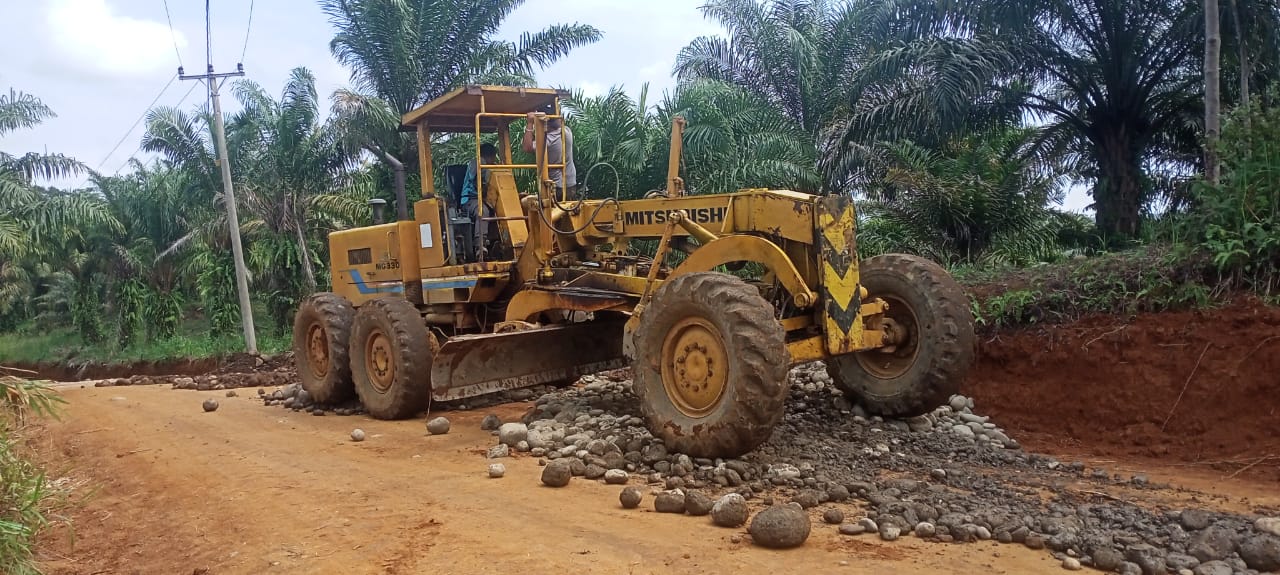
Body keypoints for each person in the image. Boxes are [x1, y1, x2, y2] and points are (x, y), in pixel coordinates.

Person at [522, 109, 577, 200]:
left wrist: (530, 123)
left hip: (555, 186)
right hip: (571, 184)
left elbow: (527, 147)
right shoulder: (567, 132)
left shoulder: (549, 140)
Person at [461, 143, 499, 259]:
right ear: (490, 156)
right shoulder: (476, 163)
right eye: (493, 158)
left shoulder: (490, 167)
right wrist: (490, 169)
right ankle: (480, 246)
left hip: (485, 199)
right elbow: (479, 175)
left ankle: (498, 243)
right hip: (470, 200)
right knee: (482, 211)